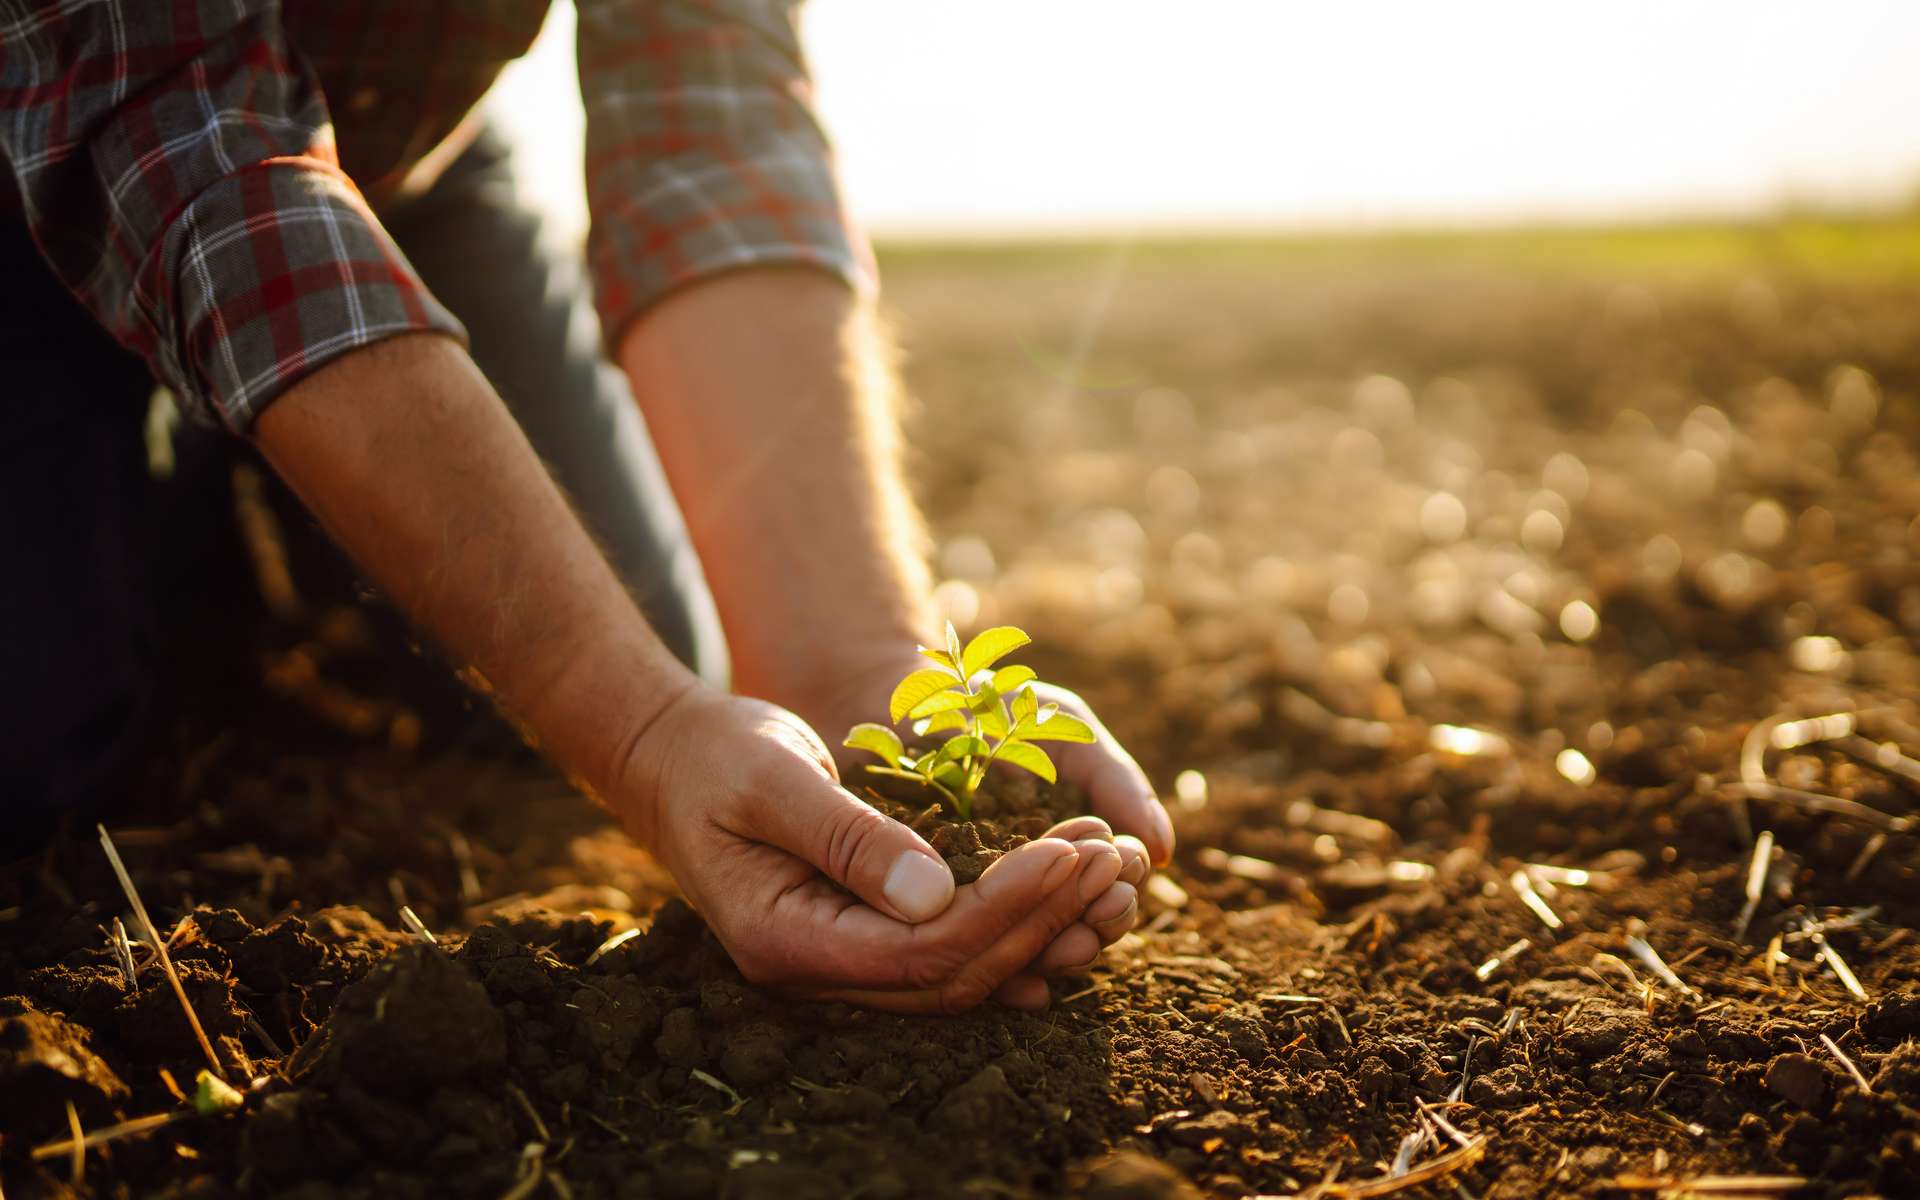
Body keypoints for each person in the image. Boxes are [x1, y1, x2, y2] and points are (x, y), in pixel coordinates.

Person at [0, 0, 1174, 1013]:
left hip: (397, 161)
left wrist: (851, 655)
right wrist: (639, 733)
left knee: (654, 645)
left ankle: (273, 463)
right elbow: (182, 132)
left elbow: (709, 129)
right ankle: (210, 489)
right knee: (48, 748)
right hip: (60, 141)